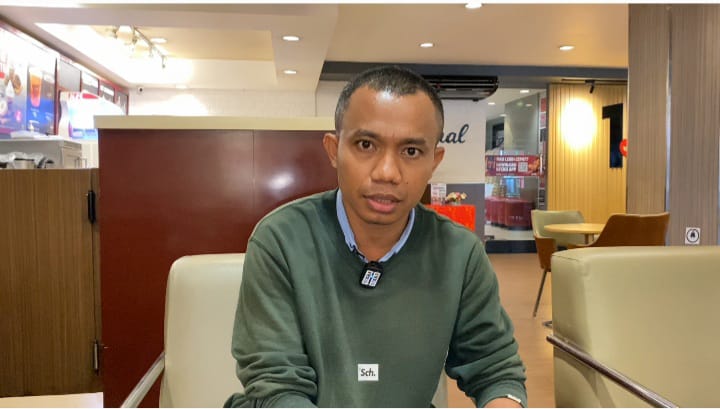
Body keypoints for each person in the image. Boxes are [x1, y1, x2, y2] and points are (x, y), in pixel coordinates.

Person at [225, 65, 526, 408]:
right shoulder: (281, 240)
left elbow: (495, 369)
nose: (387, 172)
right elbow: (276, 385)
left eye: (411, 151)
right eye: (366, 144)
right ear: (333, 150)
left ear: (434, 161)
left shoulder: (459, 253)